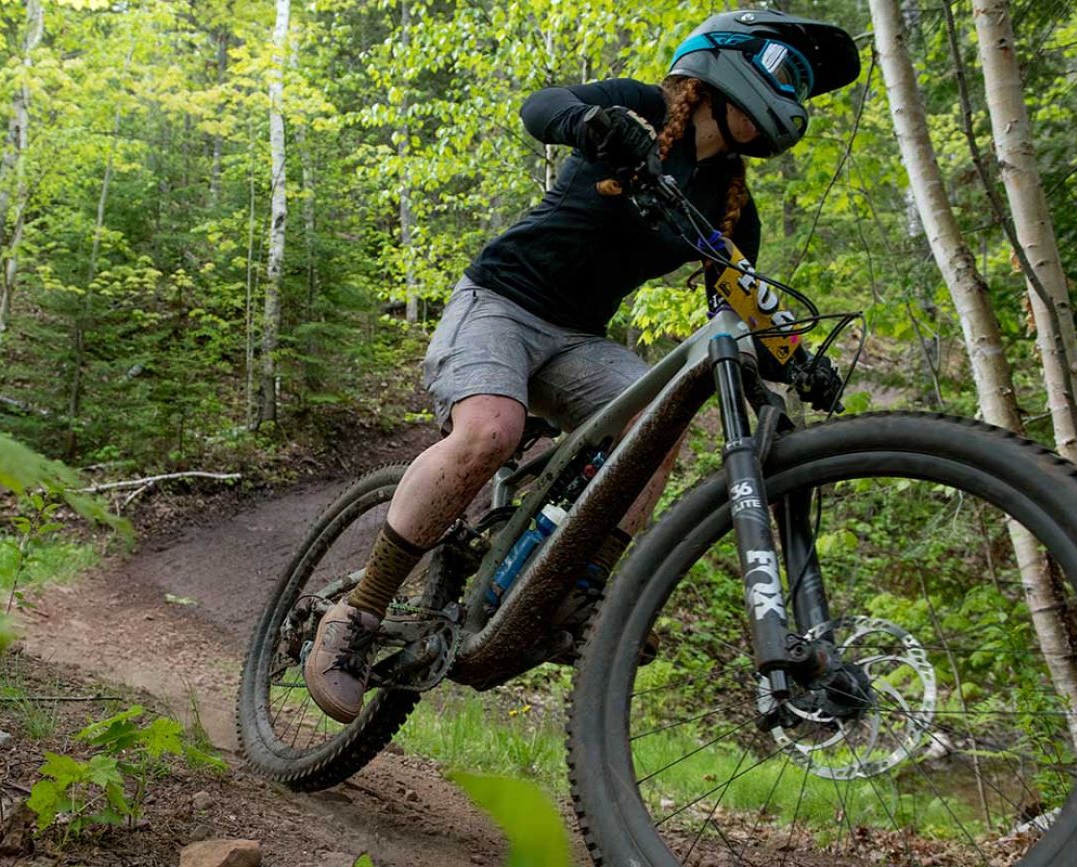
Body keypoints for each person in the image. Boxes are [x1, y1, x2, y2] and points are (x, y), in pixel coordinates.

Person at [305, 9, 861, 724]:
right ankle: (357, 614)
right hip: (500, 302)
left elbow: (743, 301)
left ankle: (576, 586)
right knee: (490, 431)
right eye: (791, 74)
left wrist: (797, 363)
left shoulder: (730, 205)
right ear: (728, 62)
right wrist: (593, 125)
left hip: (578, 340)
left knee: (660, 421)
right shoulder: (642, 107)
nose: (797, 95)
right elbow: (542, 107)